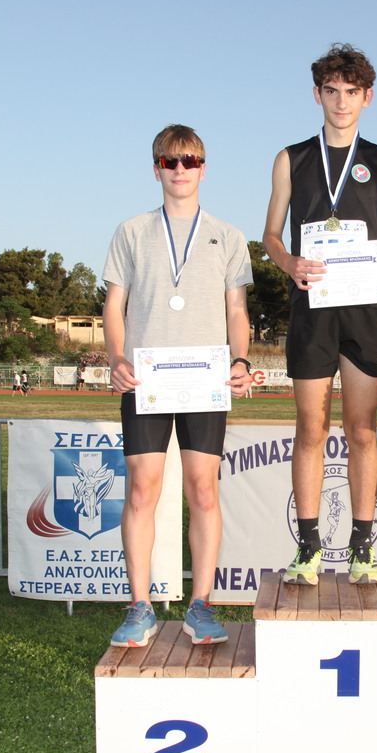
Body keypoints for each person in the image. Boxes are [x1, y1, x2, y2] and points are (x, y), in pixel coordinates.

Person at [261, 43, 377, 585]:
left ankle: (361, 548)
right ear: (317, 94)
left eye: (352, 92)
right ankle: (307, 548)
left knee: (362, 430)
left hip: (364, 310)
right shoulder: (291, 158)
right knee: (310, 428)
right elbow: (270, 234)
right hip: (312, 307)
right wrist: (288, 263)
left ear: (367, 97)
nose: (341, 102)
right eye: (332, 91)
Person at [102, 124, 254, 648]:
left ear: (204, 168)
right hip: (144, 380)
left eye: (190, 160)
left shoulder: (228, 236)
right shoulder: (130, 232)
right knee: (142, 490)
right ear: (156, 170)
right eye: (170, 161)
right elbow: (114, 306)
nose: (181, 169)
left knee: (203, 489)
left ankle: (201, 605)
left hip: (204, 380)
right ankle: (139, 606)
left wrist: (240, 359)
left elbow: (237, 309)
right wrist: (116, 357)